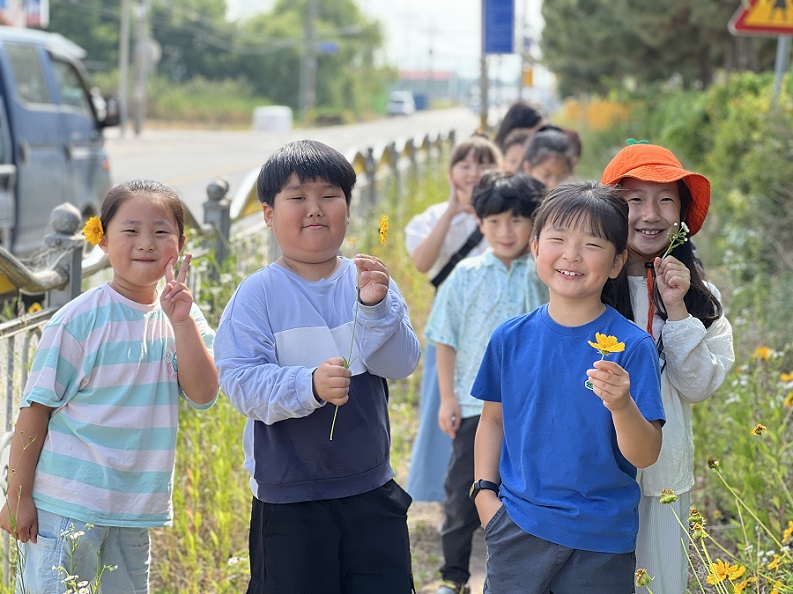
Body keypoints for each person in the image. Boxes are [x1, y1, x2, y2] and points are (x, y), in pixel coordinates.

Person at [213, 139, 421, 594]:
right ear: (268, 214)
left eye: (329, 196)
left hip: (370, 487)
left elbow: (402, 363)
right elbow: (239, 381)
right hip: (289, 497)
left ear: (348, 206)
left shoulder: (369, 279)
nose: (315, 209)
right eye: (297, 197)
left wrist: (376, 308)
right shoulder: (257, 295)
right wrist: (308, 385)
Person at [0, 180, 219, 593]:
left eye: (160, 232)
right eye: (131, 231)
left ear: (181, 243)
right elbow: (35, 411)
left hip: (132, 510)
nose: (146, 244)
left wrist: (183, 321)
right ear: (102, 239)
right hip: (66, 506)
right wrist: (18, 496)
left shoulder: (182, 317)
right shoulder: (78, 319)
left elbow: (204, 393)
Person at [472, 181, 665, 594]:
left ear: (617, 262)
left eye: (592, 244)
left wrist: (622, 405)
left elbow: (646, 453)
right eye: (558, 239)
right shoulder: (509, 338)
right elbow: (492, 422)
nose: (572, 255)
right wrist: (484, 496)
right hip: (517, 528)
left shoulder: (632, 346)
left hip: (601, 541)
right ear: (536, 248)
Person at [601, 142, 735, 594]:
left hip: (663, 481)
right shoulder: (587, 289)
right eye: (634, 199)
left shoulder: (701, 298)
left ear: (680, 215)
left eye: (665, 200)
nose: (649, 214)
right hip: (592, 474)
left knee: (657, 583)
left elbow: (697, 386)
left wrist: (676, 310)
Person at [426, 171, 546, 594]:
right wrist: (447, 398)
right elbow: (445, 338)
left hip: (534, 408)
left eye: (516, 220)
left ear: (534, 222)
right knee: (464, 492)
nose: (505, 231)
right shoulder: (464, 275)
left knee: (525, 495)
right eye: (493, 221)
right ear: (479, 223)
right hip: (478, 409)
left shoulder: (545, 274)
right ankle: (454, 576)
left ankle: (521, 576)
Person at [405, 135, 501, 503]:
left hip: (493, 330)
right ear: (451, 171)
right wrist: (450, 212)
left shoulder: (505, 217)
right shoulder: (429, 217)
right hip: (451, 331)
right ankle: (446, 494)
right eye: (465, 164)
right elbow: (423, 262)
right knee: (445, 408)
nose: (473, 172)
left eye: (483, 164)